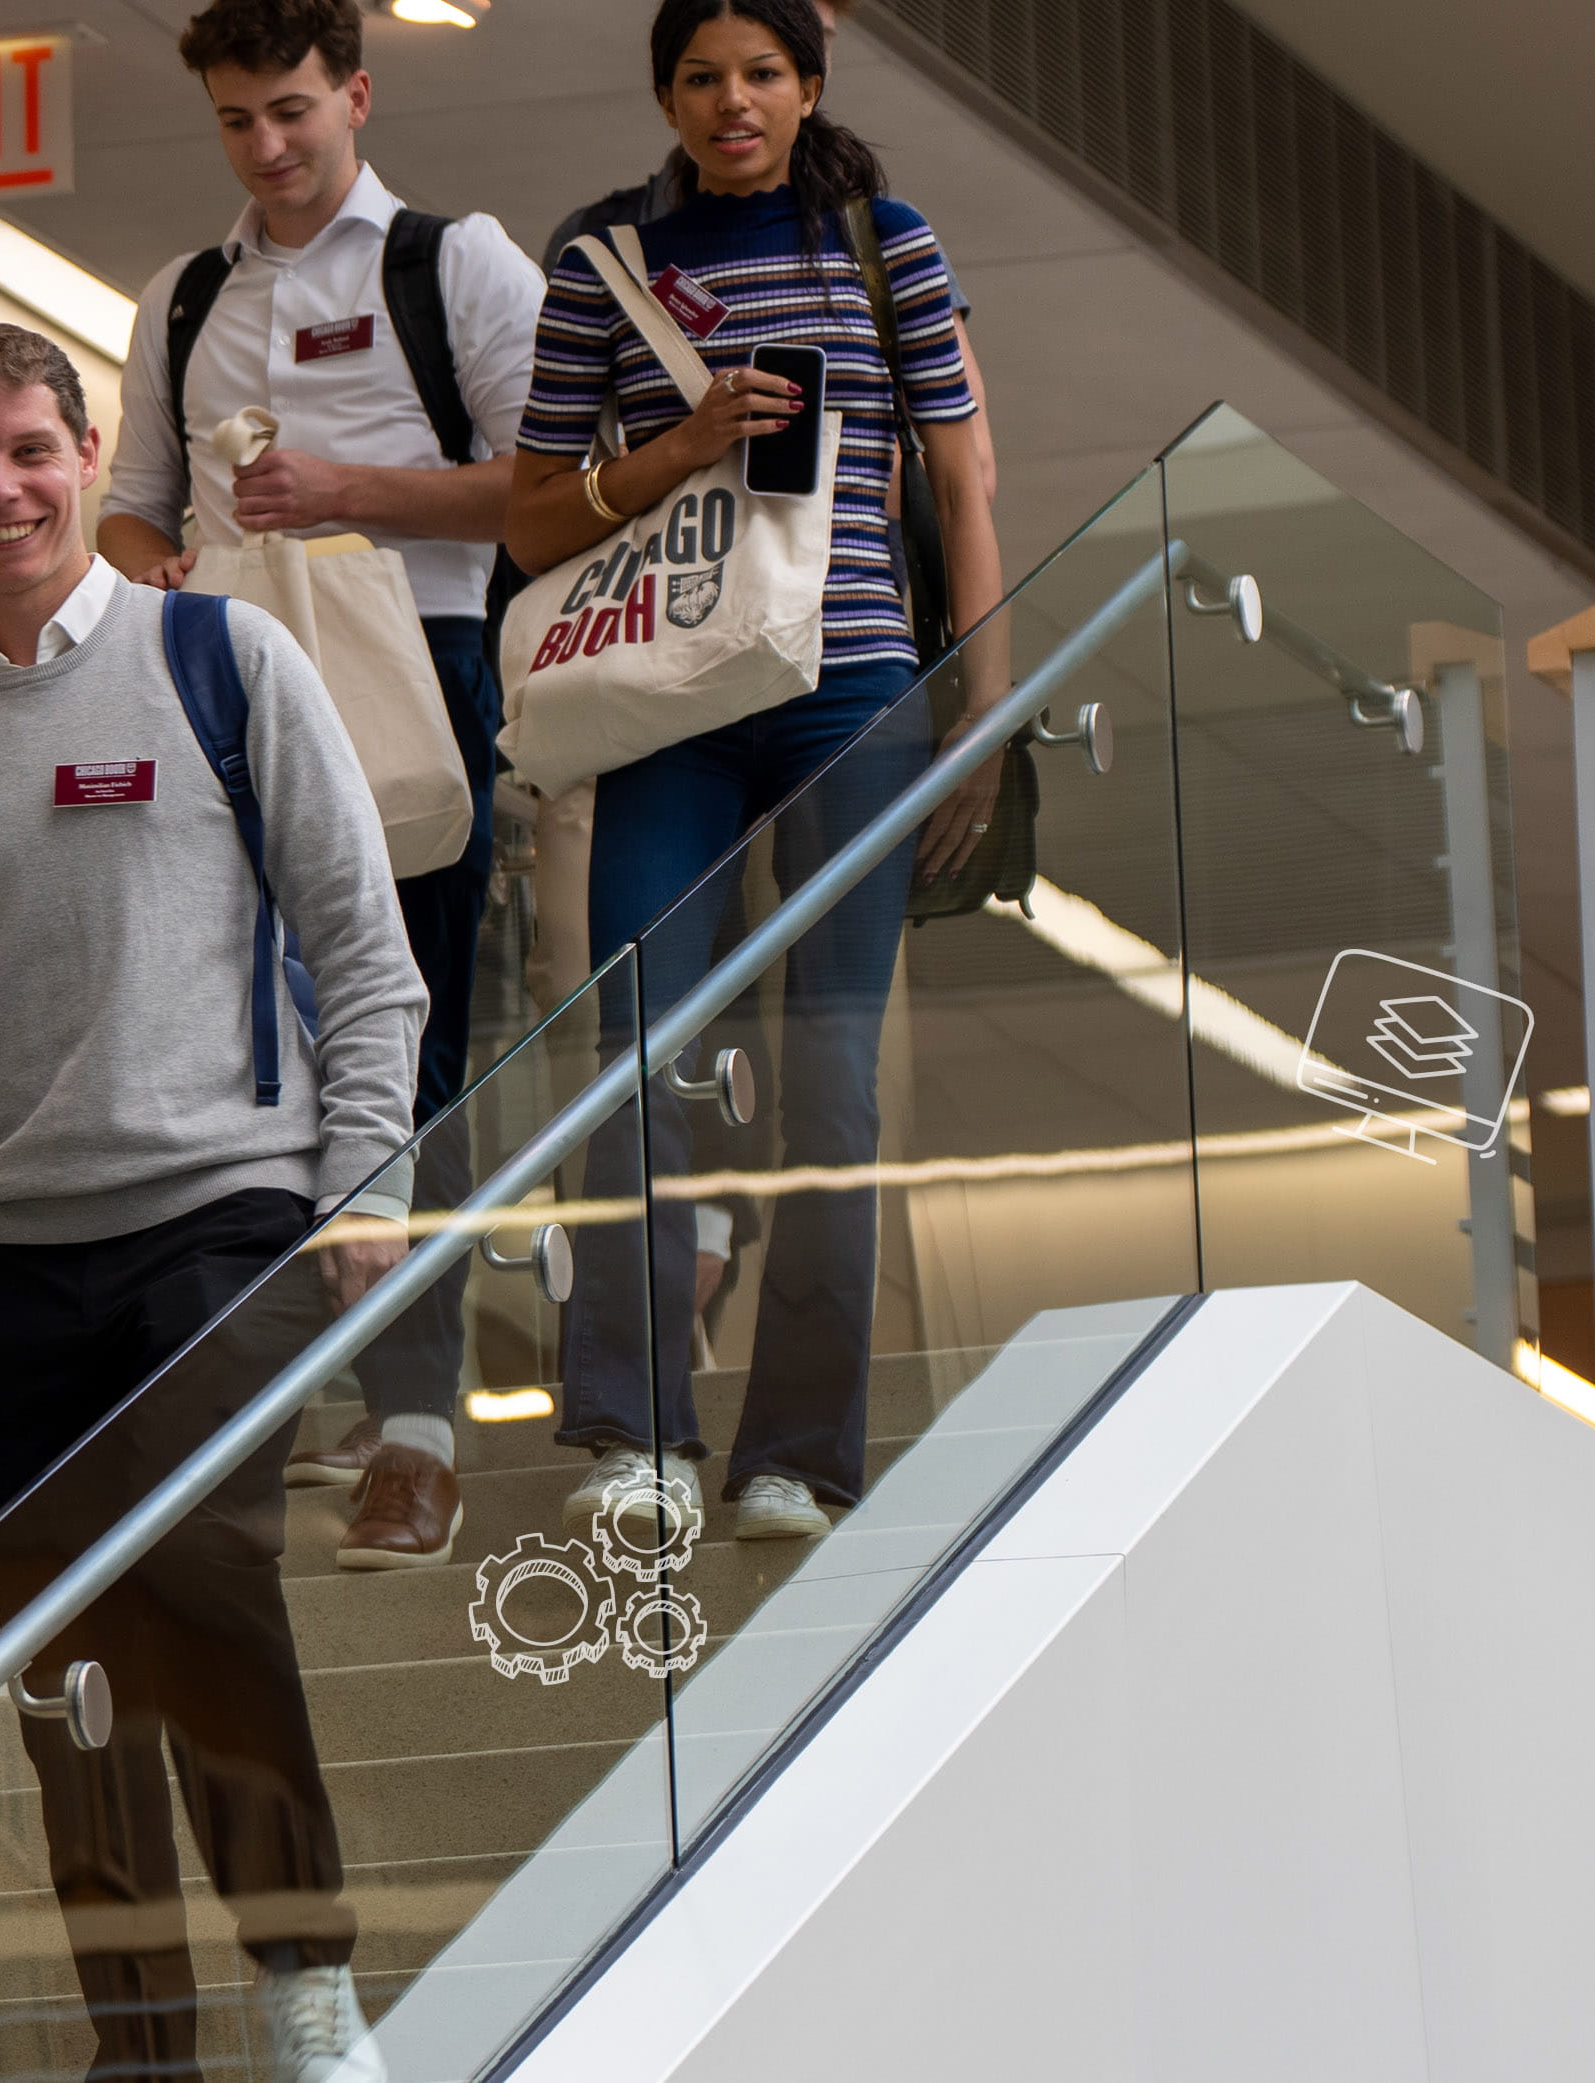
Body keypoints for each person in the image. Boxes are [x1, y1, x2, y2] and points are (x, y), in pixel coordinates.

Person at [0, 322, 421, 2083]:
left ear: (92, 456)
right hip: (17, 1261)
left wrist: (362, 1185)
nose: (3, 489)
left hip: (228, 1215)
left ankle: (303, 1970)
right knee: (58, 1654)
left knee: (203, 1569)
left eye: (32, 449)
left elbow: (366, 955)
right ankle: (139, 2040)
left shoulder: (223, 657)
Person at [500, 0, 1002, 1550]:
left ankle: (796, 1449)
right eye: (703, 77)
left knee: (831, 1084)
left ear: (809, 84)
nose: (733, 102)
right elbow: (530, 519)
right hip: (674, 698)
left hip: (856, 690)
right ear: (665, 92)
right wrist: (684, 441)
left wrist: (984, 707)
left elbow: (968, 478)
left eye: (762, 75)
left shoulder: (883, 237)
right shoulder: (602, 255)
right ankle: (635, 1426)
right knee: (636, 1043)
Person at [96, 0, 545, 1571]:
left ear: (355, 93)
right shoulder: (185, 295)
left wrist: (345, 494)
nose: (269, 146)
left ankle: (419, 1429)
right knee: (241, 1055)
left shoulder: (452, 261)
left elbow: (551, 488)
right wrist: (173, 564)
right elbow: (128, 514)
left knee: (401, 1040)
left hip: (415, 679)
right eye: (237, 120)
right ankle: (311, 1386)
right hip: (230, 694)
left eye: (292, 110)